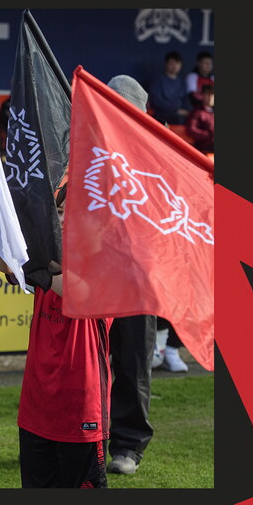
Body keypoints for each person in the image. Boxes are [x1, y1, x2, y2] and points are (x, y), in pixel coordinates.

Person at [0, 183, 113, 488]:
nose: (61, 220)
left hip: (82, 410)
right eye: (58, 212)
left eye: (72, 213)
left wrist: (35, 240)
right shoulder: (46, 264)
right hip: (37, 406)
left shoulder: (106, 265)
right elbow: (5, 263)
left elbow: (70, 290)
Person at [104, 75, 159, 477]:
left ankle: (128, 446)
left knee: (133, 364)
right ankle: (80, 438)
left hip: (139, 278)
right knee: (84, 364)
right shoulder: (87, 151)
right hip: (93, 275)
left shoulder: (158, 157)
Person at [147, 50, 191, 126]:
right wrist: (176, 110)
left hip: (180, 119)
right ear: (166, 64)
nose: (174, 66)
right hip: (162, 116)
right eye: (172, 63)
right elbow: (157, 102)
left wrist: (188, 111)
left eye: (177, 63)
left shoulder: (181, 82)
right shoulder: (158, 80)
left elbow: (186, 101)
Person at [186, 84, 214, 154]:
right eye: (208, 95)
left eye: (213, 95)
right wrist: (208, 135)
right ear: (202, 96)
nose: (210, 98)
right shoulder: (197, 112)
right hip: (204, 147)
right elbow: (191, 129)